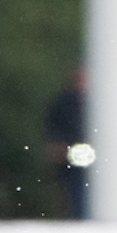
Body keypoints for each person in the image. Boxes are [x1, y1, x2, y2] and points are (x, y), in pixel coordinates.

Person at [43, 66, 91, 220]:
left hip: (94, 156)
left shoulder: (97, 101)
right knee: (76, 191)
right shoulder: (64, 102)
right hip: (70, 155)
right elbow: (53, 128)